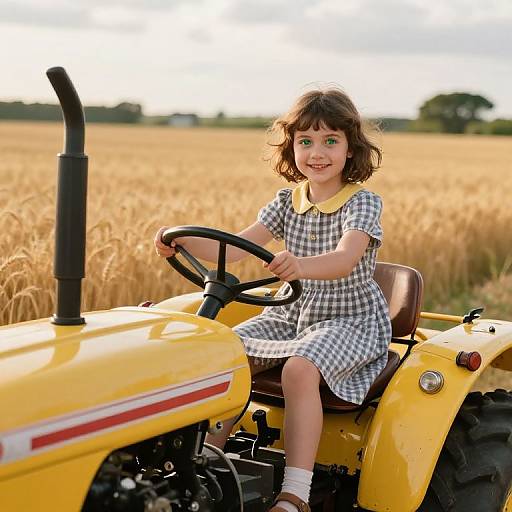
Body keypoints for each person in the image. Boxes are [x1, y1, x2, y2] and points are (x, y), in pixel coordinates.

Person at [154, 87, 392, 512]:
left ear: (350, 147)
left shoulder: (362, 202)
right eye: (305, 141)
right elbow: (238, 248)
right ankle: (204, 465)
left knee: (300, 369)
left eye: (330, 141)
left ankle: (295, 493)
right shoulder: (287, 200)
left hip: (349, 319)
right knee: (225, 352)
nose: (317, 153)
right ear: (291, 147)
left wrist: (299, 265)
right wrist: (180, 240)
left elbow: (345, 258)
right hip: (293, 312)